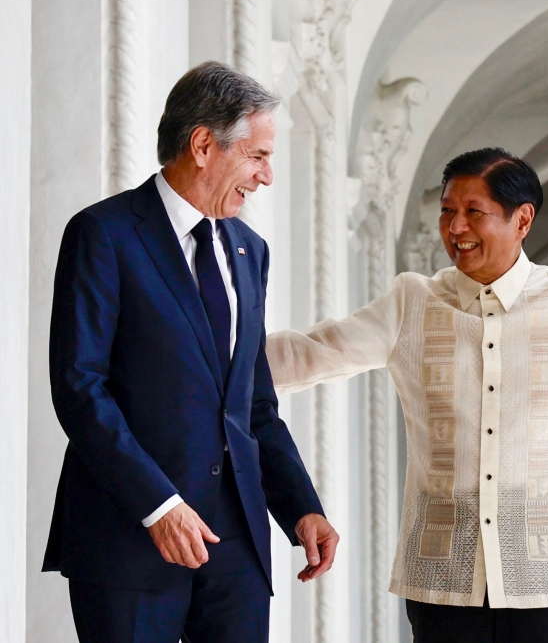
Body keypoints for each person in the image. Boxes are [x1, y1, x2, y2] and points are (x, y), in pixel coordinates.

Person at [266, 147, 548, 643]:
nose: (455, 228)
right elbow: (311, 353)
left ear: (522, 219)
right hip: (442, 577)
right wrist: (206, 358)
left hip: (547, 576)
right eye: (447, 211)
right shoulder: (411, 303)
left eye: (473, 212)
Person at [44, 61, 339, 643]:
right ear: (204, 145)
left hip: (238, 546)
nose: (266, 176)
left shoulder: (251, 251)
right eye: (257, 156)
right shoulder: (103, 234)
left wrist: (300, 506)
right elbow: (80, 387)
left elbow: (254, 404)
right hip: (130, 535)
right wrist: (158, 505)